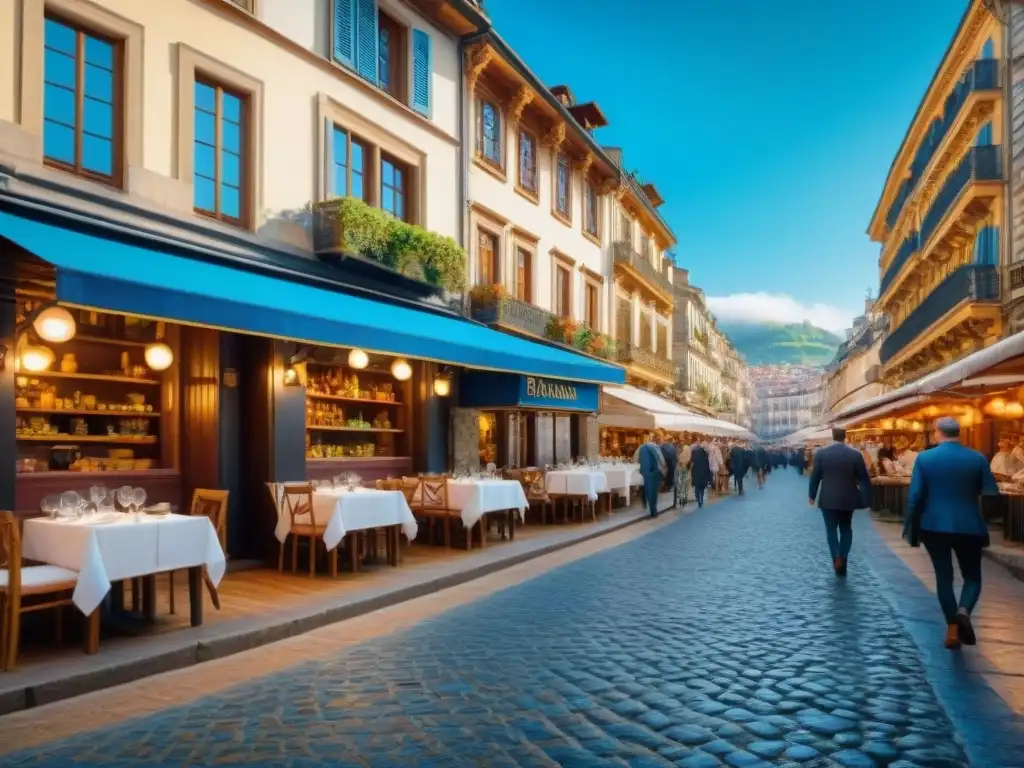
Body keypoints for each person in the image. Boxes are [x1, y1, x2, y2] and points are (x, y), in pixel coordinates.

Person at [904, 417, 999, 650]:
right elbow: (991, 493)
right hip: (969, 525)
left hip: (934, 525)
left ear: (937, 433)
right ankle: (964, 610)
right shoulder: (977, 458)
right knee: (973, 576)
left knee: (944, 577)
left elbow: (915, 497)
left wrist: (911, 527)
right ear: (960, 433)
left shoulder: (924, 458)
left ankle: (952, 630)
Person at [808, 426, 872, 576]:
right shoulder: (855, 454)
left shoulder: (822, 453)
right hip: (848, 498)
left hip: (827, 498)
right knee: (846, 528)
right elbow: (864, 478)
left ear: (832, 436)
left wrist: (812, 495)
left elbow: (815, 476)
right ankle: (844, 556)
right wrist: (868, 498)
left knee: (831, 530)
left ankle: (836, 556)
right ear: (845, 437)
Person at [636, 433, 667, 518]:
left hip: (644, 472)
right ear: (655, 439)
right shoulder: (655, 447)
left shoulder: (641, 447)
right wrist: (664, 468)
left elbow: (636, 458)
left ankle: (645, 502)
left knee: (647, 488)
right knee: (653, 492)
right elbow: (661, 459)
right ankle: (653, 511)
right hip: (653, 471)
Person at [690, 440, 712, 508]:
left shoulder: (694, 451)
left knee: (697, 485)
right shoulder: (705, 453)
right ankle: (701, 499)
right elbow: (708, 463)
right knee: (702, 486)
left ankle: (697, 498)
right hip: (703, 471)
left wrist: (691, 471)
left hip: (696, 470)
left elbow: (692, 462)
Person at [661, 435, 679, 508]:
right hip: (673, 464)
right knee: (671, 476)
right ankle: (669, 487)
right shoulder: (673, 447)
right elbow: (676, 456)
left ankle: (667, 487)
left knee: (667, 476)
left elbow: (662, 456)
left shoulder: (664, 446)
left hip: (667, 464)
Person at [677, 439, 692, 505]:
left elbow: (677, 459)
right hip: (686, 468)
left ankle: (681, 497)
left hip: (680, 468)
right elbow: (690, 458)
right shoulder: (687, 448)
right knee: (685, 483)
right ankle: (684, 497)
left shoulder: (679, 448)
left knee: (680, 483)